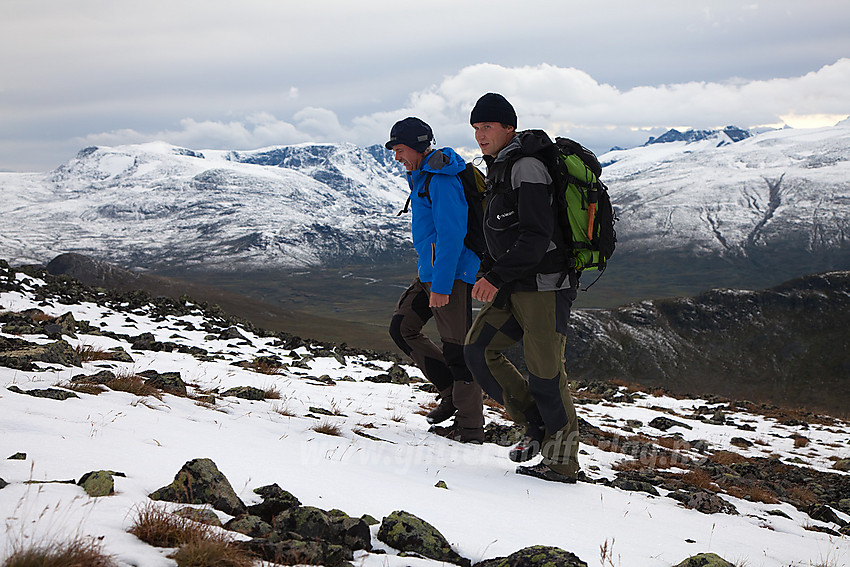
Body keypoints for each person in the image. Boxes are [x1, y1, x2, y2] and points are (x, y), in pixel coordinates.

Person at [463, 93, 582, 482]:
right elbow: (500, 232)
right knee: (478, 350)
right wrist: (490, 270)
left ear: (508, 128)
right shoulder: (500, 166)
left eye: (488, 127)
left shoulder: (527, 167)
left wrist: (494, 277)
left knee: (546, 375)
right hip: (514, 283)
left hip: (544, 287)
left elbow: (536, 236)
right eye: (476, 128)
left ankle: (562, 462)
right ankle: (535, 424)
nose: (481, 135)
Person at [386, 117, 485, 444]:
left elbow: (452, 236)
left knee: (458, 350)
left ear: (415, 146)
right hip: (432, 271)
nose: (397, 157)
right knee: (402, 328)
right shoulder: (423, 175)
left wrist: (441, 286)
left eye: (400, 150)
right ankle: (450, 394)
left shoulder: (441, 179)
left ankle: (470, 429)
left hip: (452, 275)